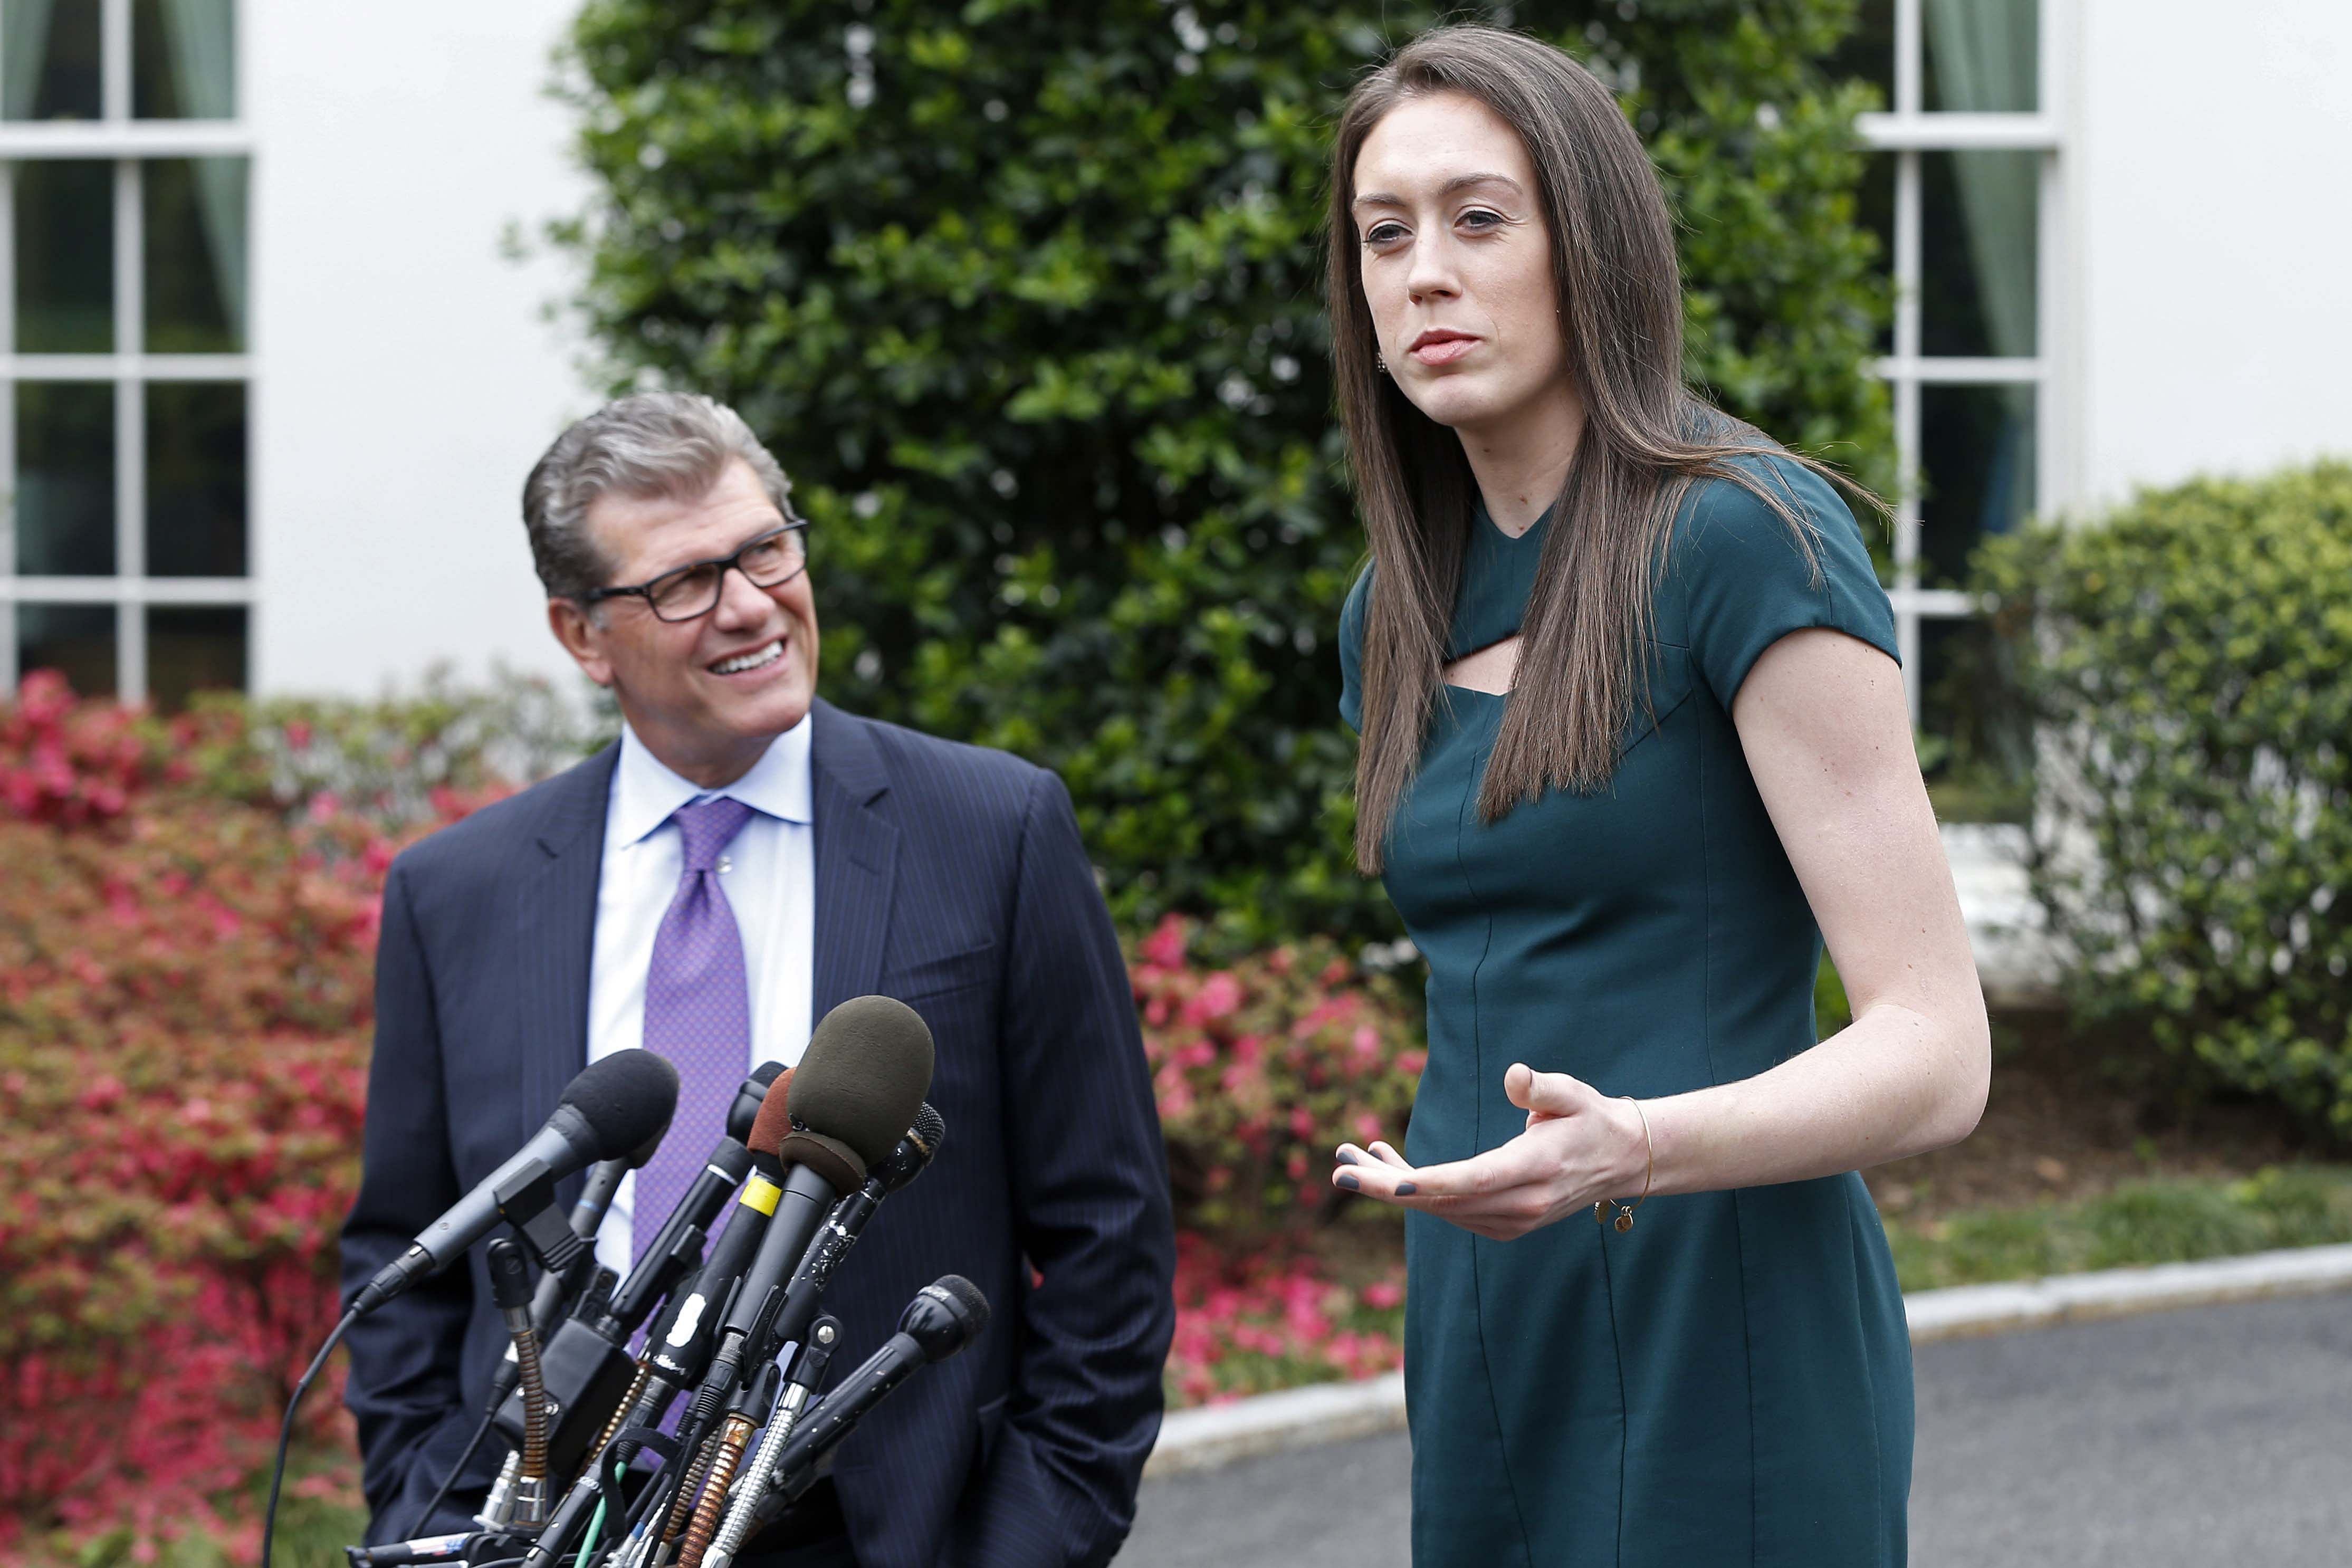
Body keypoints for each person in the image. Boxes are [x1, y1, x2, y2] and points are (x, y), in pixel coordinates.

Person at [1323, 26, 1988, 1568]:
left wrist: (1627, 1143)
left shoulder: (1748, 540)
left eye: (1479, 217)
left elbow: (1939, 1051)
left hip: (1726, 1304)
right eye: (1384, 231)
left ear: (1592, 244)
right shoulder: (1393, 609)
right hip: (1496, 1311)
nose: (1425, 271)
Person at [338, 393, 1175, 1568]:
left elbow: (1110, 1231)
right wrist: (422, 1511)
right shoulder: (458, 890)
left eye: (767, 548)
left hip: (881, 1530)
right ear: (582, 636)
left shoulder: (994, 829)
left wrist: (1033, 1541)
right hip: (545, 1521)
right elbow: (403, 1248)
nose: (750, 604)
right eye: (686, 582)